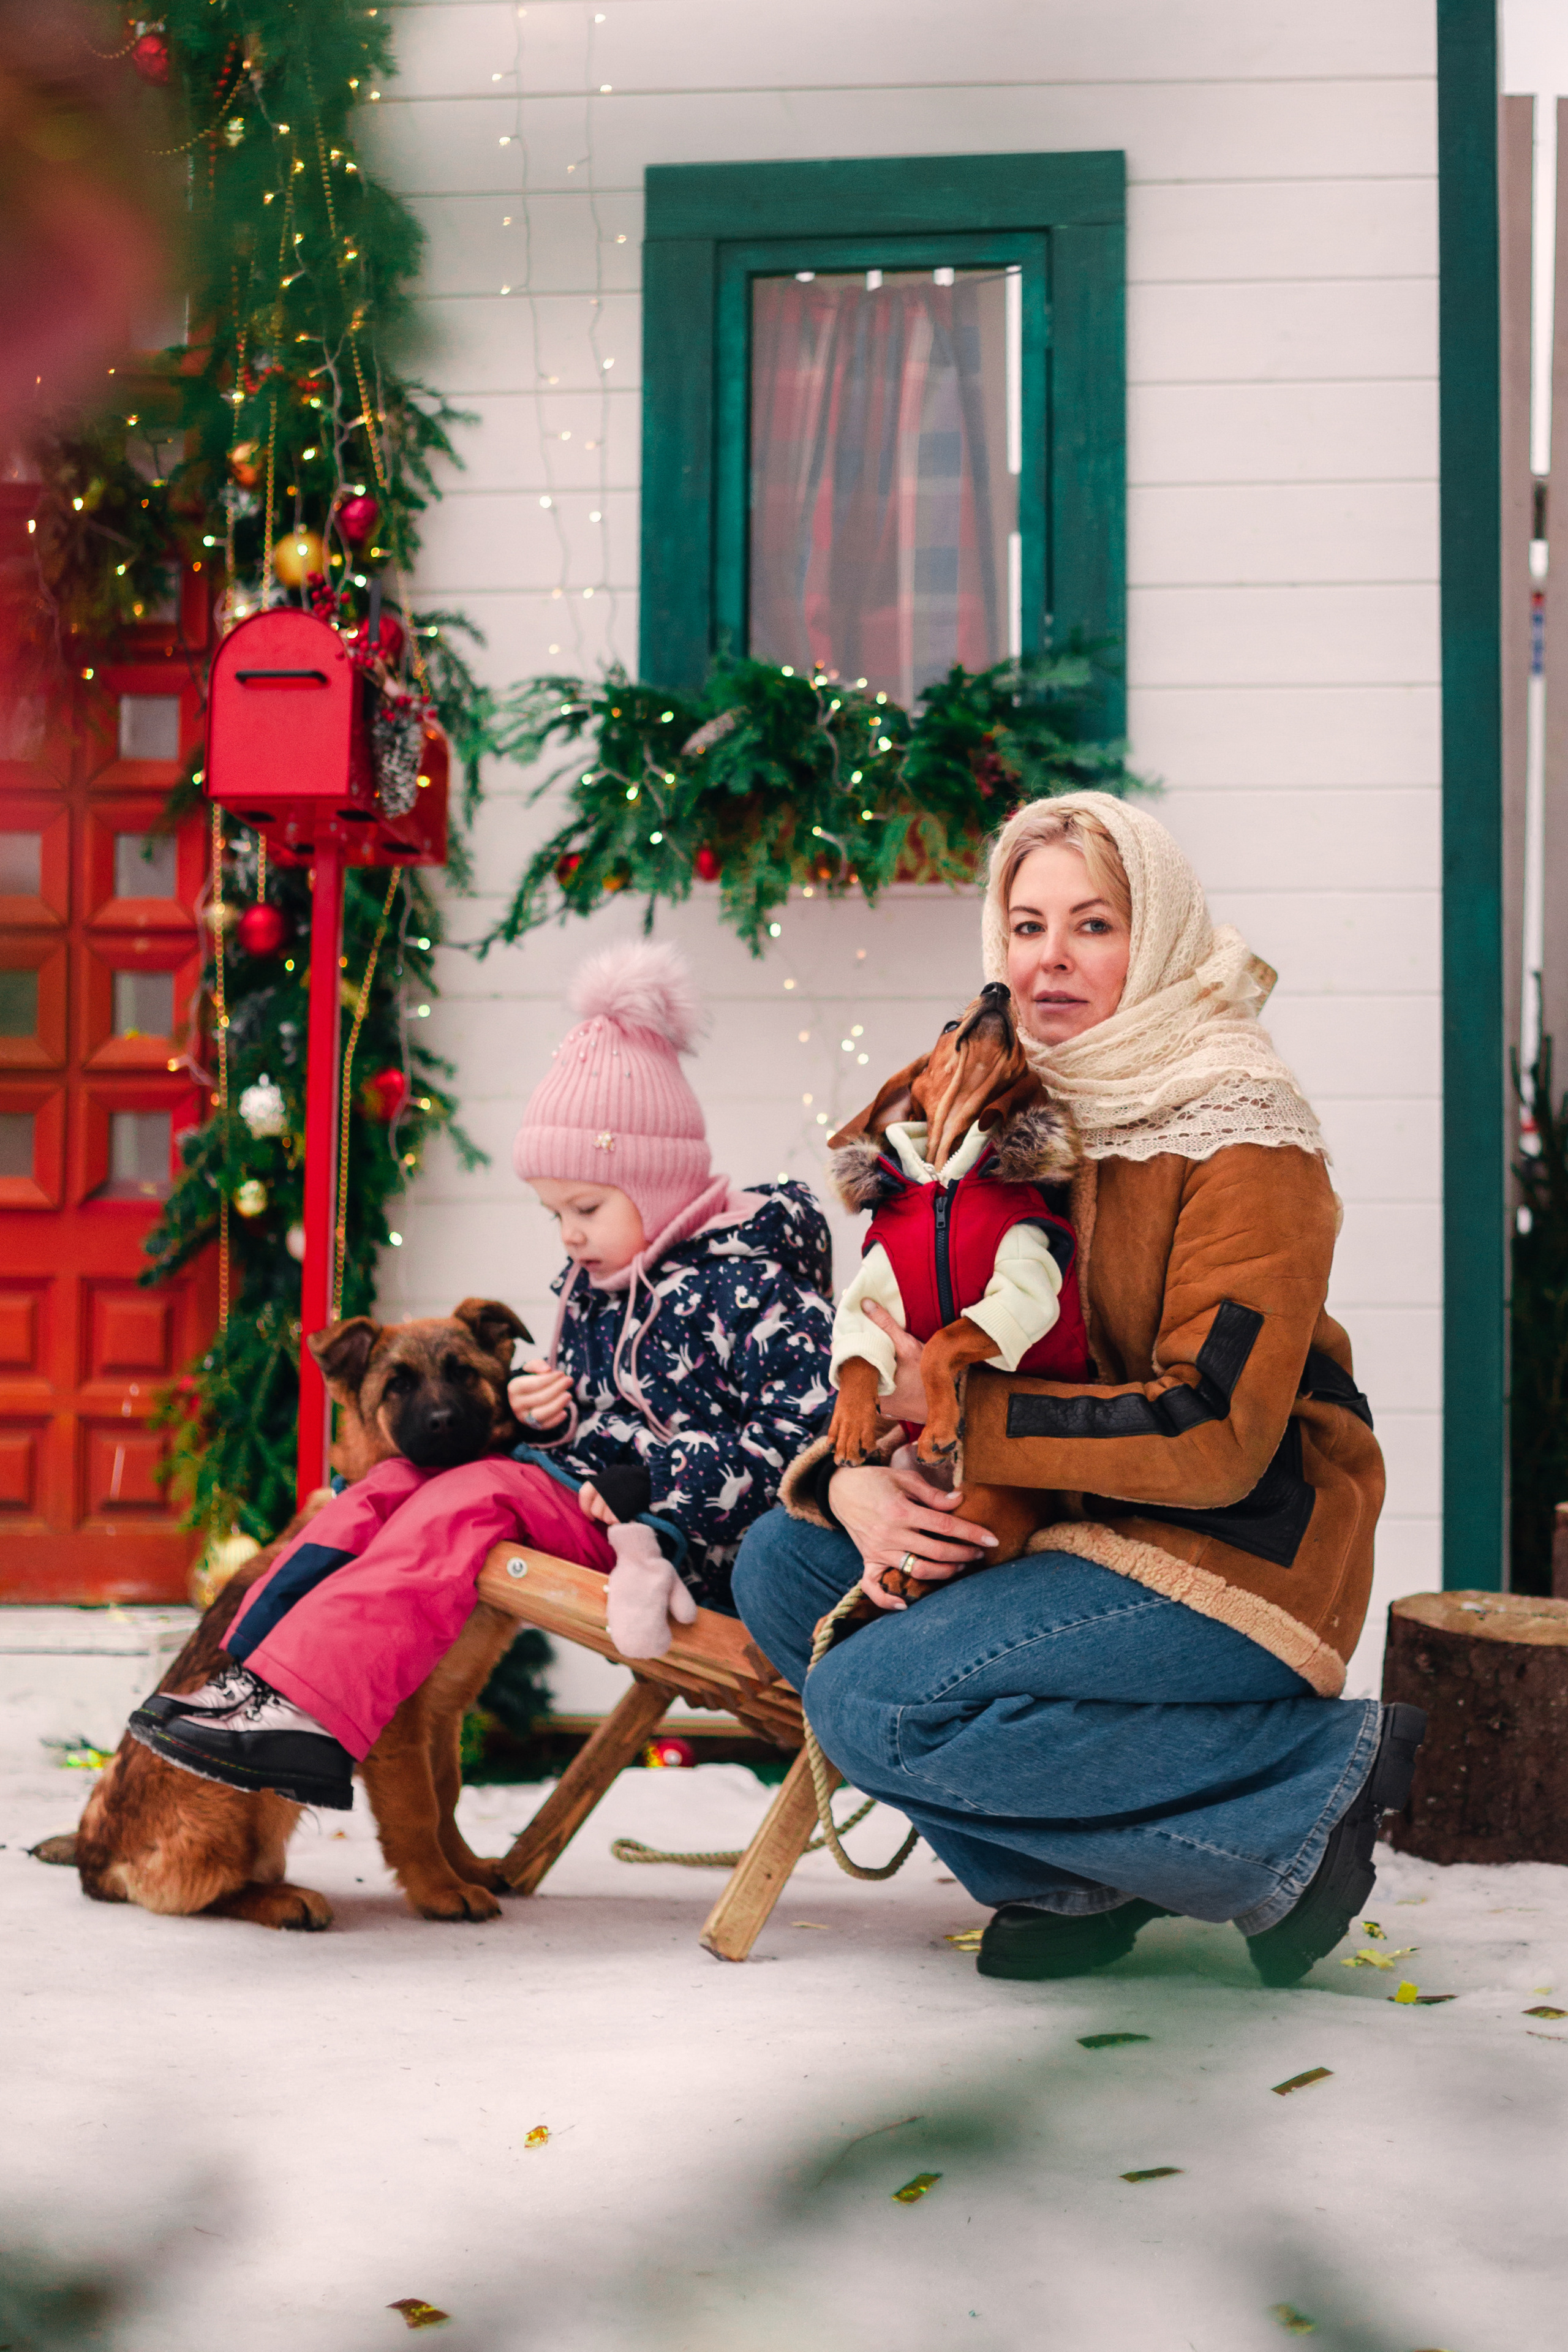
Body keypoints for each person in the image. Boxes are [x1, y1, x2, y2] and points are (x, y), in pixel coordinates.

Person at [734, 793, 1424, 1988]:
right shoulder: (1012, 1110)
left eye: (1092, 925)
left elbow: (1213, 1435)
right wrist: (858, 1484)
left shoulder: (1244, 1134)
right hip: (1059, 1520)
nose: (1048, 957)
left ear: (1154, 938)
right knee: (782, 1568)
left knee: (877, 1701)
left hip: (1231, 1552)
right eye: (1027, 925)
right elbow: (907, 1323)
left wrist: (959, 1420)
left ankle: (1301, 1801)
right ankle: (1065, 1882)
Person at [132, 943, 835, 1810]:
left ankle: (308, 1710)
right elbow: (603, 1410)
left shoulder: (754, 1287)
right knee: (383, 1486)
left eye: (587, 1208)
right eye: (554, 1213)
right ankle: (252, 1678)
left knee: (466, 1493)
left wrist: (653, 1476)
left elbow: (806, 1442)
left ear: (658, 1186)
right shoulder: (598, 1285)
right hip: (589, 1499)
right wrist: (550, 1414)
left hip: (688, 1545)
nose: (569, 1234)